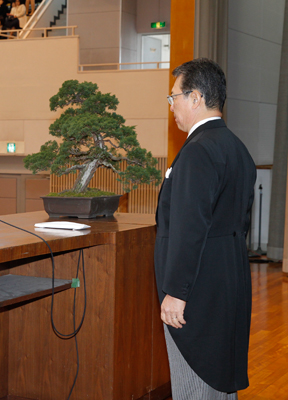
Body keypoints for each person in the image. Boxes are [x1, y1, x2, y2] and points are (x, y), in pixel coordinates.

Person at [155, 58, 256, 399]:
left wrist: (176, 292)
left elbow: (189, 228)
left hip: (196, 291)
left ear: (195, 98)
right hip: (229, 281)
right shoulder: (237, 149)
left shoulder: (198, 152)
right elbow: (238, 224)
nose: (172, 106)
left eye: (174, 97)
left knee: (194, 384)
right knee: (220, 381)